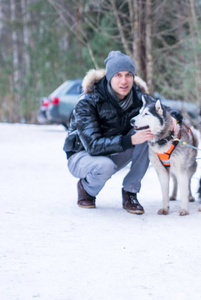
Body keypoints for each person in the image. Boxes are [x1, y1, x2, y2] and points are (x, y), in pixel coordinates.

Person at [63, 50, 155, 215]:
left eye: (128, 75)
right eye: (118, 75)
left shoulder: (137, 97)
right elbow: (92, 146)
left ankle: (130, 193)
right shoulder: (88, 101)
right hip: (81, 156)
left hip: (113, 151)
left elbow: (161, 110)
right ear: (109, 77)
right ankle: (86, 189)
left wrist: (175, 122)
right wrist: (130, 141)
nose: (124, 81)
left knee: (148, 133)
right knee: (104, 165)